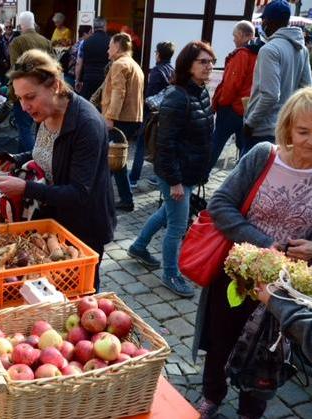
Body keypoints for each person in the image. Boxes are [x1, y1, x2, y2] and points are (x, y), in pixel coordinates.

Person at [194, 87, 312, 419]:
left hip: (283, 286)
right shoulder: (264, 155)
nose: (309, 141)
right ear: (288, 126)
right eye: (303, 131)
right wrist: (262, 241)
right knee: (220, 341)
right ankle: (212, 396)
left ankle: (250, 411)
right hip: (235, 274)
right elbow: (220, 205)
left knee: (266, 351)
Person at [0, 49, 116, 292]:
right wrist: (15, 160)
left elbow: (79, 193)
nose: (24, 106)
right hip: (54, 222)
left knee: (79, 293)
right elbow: (47, 153)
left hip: (83, 229)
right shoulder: (45, 114)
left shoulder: (87, 124)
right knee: (51, 291)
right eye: (20, 98)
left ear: (55, 85)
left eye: (30, 97)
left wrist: (25, 187)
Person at [127, 41, 215, 298]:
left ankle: (139, 246)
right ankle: (171, 274)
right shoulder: (178, 96)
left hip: (189, 171)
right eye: (203, 62)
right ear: (188, 65)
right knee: (177, 226)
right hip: (175, 173)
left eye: (210, 61)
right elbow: (165, 145)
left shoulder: (201, 91)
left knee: (168, 212)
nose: (209, 66)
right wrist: (175, 181)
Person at [242, 0, 311, 156]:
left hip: (263, 130)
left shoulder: (269, 50)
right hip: (285, 127)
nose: (263, 24)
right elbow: (307, 89)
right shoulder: (302, 49)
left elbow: (271, 95)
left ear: (270, 22)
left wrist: (250, 123)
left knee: (251, 178)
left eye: (264, 21)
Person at [208, 21, 260, 172]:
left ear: (244, 35)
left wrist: (222, 103)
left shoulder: (242, 54)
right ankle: (242, 185)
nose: (233, 39)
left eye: (235, 36)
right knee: (244, 148)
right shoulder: (261, 53)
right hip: (248, 108)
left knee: (216, 143)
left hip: (232, 108)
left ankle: (199, 178)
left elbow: (231, 84)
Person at [101, 33, 144, 212]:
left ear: (118, 47)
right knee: (118, 161)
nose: (108, 50)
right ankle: (126, 199)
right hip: (130, 118)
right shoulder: (133, 64)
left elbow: (119, 92)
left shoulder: (119, 64)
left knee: (110, 160)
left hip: (120, 119)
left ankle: (97, 195)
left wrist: (110, 116)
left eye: (110, 46)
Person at [129, 41, 175, 188]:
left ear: (159, 54)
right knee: (159, 146)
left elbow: (149, 96)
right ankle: (157, 177)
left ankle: (133, 178)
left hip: (151, 115)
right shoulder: (172, 70)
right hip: (165, 114)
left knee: (141, 145)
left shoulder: (157, 71)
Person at [9, 11, 53, 153]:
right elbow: (54, 66)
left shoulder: (17, 42)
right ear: (33, 23)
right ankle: (23, 160)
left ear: (21, 25)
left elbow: (17, 68)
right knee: (40, 130)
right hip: (43, 90)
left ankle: (32, 160)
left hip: (24, 92)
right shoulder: (45, 41)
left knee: (24, 128)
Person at [75, 17, 110, 100]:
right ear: (105, 26)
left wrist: (77, 80)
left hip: (88, 79)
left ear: (93, 27)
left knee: (88, 105)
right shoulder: (111, 41)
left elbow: (79, 63)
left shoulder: (85, 42)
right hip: (104, 79)